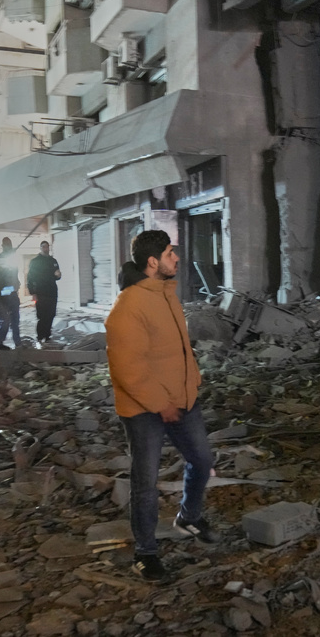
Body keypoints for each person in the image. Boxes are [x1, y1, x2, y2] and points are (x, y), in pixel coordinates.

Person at [105, 230, 217, 582]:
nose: (177, 258)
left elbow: (180, 349)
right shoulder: (129, 306)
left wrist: (192, 382)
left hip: (182, 399)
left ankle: (189, 516)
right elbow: (128, 367)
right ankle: (146, 553)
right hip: (145, 410)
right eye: (171, 253)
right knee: (146, 481)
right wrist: (160, 403)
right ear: (153, 262)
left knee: (202, 460)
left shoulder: (167, 295)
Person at [26, 240, 61, 346]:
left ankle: (47, 335)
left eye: (47, 247)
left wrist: (58, 275)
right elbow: (30, 277)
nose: (46, 249)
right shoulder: (35, 261)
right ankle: (40, 336)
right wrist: (33, 292)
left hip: (52, 292)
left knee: (51, 314)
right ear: (40, 248)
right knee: (42, 315)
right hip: (41, 292)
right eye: (44, 247)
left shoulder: (53, 260)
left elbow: (57, 275)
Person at [0, 238, 21, 350]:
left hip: (13, 293)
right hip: (3, 293)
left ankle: (17, 342)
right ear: (3, 245)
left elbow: (14, 273)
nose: (8, 246)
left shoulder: (13, 258)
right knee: (3, 318)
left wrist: (17, 284)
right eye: (7, 244)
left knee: (15, 319)